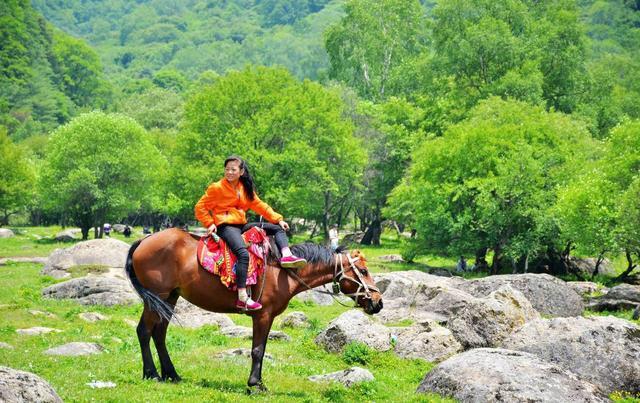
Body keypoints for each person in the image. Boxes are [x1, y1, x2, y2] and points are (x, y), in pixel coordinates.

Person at [194, 155, 307, 311]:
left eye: (233, 170)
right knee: (243, 254)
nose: (229, 172)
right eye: (227, 169)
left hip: (241, 225)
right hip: (225, 226)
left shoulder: (244, 188)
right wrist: (210, 223)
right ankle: (242, 298)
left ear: (241, 171)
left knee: (276, 228)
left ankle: (286, 256)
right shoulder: (217, 187)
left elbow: (261, 206)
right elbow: (200, 207)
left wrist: (278, 219)